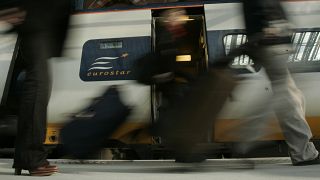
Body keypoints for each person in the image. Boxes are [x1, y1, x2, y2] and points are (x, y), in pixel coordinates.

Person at [224, 0, 320, 166]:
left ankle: (300, 150)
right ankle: (300, 152)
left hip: (271, 45)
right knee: (286, 98)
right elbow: (264, 11)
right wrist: (274, 28)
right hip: (273, 45)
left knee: (291, 96)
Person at [0, 0, 71, 176]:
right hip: (35, 18)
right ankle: (32, 158)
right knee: (38, 87)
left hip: (42, 21)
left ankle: (28, 156)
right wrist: (7, 6)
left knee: (37, 87)